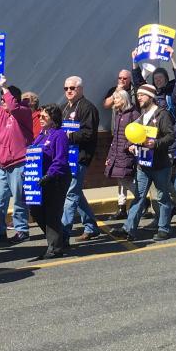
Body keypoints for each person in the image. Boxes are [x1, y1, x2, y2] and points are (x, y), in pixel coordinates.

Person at [111, 83, 176, 241]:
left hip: (160, 165)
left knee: (162, 197)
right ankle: (128, 229)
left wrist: (156, 144)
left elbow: (170, 136)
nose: (138, 98)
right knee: (139, 197)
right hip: (143, 164)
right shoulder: (142, 116)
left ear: (150, 97)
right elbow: (136, 135)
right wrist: (132, 145)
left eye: (142, 95)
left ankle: (164, 229)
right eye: (137, 95)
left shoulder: (162, 114)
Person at [0, 76, 35, 245]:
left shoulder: (23, 112)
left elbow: (13, 106)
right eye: (1, 99)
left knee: (19, 198)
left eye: (5, 98)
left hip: (18, 163)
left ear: (14, 99)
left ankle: (21, 230)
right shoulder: (0, 112)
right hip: (1, 165)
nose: (2, 101)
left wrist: (4, 86)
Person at [27, 104, 72, 259]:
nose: (40, 119)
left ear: (53, 119)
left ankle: (55, 248)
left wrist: (50, 175)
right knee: (36, 211)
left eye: (44, 116)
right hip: (41, 179)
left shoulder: (59, 135)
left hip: (57, 178)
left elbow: (60, 160)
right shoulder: (42, 134)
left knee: (52, 213)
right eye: (40, 116)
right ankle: (60, 238)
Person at [60, 76, 102, 242]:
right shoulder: (64, 108)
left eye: (72, 88)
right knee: (75, 193)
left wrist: (69, 136)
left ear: (80, 89)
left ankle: (62, 233)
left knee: (70, 193)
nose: (69, 91)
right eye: (66, 88)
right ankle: (91, 227)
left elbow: (89, 133)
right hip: (65, 157)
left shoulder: (88, 108)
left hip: (80, 157)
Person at [103, 87, 139, 218]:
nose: (114, 100)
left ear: (124, 99)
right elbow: (116, 137)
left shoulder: (133, 114)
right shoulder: (118, 114)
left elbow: (137, 134)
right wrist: (110, 156)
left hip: (126, 153)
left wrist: (126, 146)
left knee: (125, 180)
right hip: (117, 152)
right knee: (120, 179)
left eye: (117, 98)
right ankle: (121, 207)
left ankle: (142, 199)